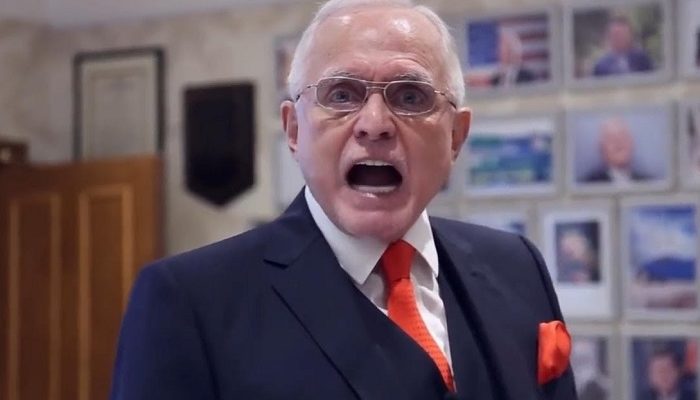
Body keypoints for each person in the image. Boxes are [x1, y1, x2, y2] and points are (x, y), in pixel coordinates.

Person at [110, 0, 576, 399]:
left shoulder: (517, 267)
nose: (375, 124)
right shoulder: (189, 302)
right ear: (294, 130)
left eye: (410, 97)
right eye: (341, 94)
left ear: (456, 136)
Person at [583, 117, 650, 183]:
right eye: (611, 138)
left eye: (623, 137)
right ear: (601, 148)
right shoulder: (589, 184)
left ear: (632, 143)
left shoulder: (648, 181)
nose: (619, 143)